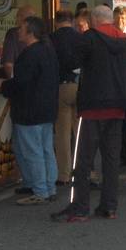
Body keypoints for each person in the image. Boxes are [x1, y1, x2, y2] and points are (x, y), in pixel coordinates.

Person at [52, 5, 126, 223]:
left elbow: (71, 62)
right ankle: (109, 206)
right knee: (111, 159)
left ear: (95, 20)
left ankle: (79, 207)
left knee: (84, 159)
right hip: (117, 106)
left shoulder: (89, 38)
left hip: (92, 106)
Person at [2, 16, 59, 205]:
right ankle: (49, 187)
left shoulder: (29, 55)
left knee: (33, 152)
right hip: (46, 108)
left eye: (21, 28)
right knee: (46, 150)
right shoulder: (48, 51)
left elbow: (21, 84)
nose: (18, 31)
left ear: (30, 32)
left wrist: (5, 86)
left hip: (30, 110)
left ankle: (41, 190)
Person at [50, 10, 83, 184]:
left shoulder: (51, 39)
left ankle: (64, 174)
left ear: (57, 22)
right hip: (81, 85)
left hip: (61, 86)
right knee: (81, 131)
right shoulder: (81, 37)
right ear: (71, 21)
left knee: (62, 133)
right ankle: (84, 170)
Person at [1, 5, 36, 78]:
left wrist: (14, 83)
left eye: (18, 16)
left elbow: (8, 64)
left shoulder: (13, 33)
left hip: (21, 84)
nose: (16, 19)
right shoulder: (44, 36)